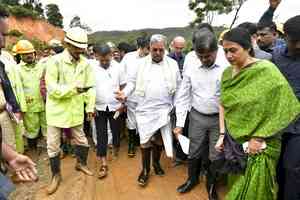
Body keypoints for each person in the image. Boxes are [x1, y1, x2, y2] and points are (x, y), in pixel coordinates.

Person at [215, 27, 300, 200]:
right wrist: (223, 134)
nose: (229, 56)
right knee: (237, 183)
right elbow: (224, 104)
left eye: (233, 50)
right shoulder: (226, 74)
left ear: (247, 47)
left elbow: (286, 107)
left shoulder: (266, 70)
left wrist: (259, 137)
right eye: (225, 51)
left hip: (261, 145)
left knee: (255, 191)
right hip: (236, 143)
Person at [116, 34, 181, 187]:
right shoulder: (140, 64)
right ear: (149, 49)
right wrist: (124, 94)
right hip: (144, 109)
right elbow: (131, 82)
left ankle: (156, 164)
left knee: (159, 140)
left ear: (165, 49)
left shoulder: (172, 64)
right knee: (145, 141)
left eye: (161, 50)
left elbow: (178, 85)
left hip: (164, 109)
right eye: (154, 50)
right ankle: (145, 170)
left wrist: (177, 106)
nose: (158, 53)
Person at [174, 29, 229, 199]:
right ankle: (192, 179)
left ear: (215, 51)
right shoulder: (191, 66)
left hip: (218, 119)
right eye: (201, 56)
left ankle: (211, 185)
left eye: (208, 56)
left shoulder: (227, 67)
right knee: (193, 150)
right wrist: (180, 124)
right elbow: (183, 96)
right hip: (197, 116)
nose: (204, 60)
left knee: (216, 154)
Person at [45, 27, 95, 195]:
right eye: (76, 47)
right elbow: (52, 89)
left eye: (81, 48)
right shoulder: (54, 61)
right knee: (53, 145)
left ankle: (81, 163)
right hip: (56, 111)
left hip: (75, 110)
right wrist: (74, 89)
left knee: (82, 140)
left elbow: (90, 87)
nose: (79, 51)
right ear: (67, 44)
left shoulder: (85, 63)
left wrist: (89, 106)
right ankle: (56, 175)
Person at [272, 15, 300, 200]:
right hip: (278, 126)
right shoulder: (276, 56)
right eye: (294, 41)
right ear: (285, 37)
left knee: (293, 170)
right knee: (279, 170)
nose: (298, 46)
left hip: (298, 128)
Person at [92, 44, 126, 179]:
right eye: (102, 60)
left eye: (107, 60)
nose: (105, 63)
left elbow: (123, 86)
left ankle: (116, 146)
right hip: (99, 106)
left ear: (111, 56)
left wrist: (123, 103)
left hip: (115, 106)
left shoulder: (118, 67)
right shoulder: (92, 68)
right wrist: (91, 105)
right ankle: (103, 163)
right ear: (97, 57)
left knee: (116, 130)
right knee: (101, 134)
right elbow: (89, 87)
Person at [121, 36, 150, 157]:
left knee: (146, 121)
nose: (149, 51)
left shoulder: (152, 58)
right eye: (147, 48)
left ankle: (145, 143)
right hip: (132, 96)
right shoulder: (129, 57)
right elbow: (122, 75)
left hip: (147, 97)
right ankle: (132, 144)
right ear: (141, 47)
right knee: (132, 121)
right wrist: (123, 93)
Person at [15, 40, 47, 151]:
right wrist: (21, 106)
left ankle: (50, 149)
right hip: (29, 105)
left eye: (30, 53)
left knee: (47, 126)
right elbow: (18, 89)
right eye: (25, 54)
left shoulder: (42, 66)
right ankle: (33, 149)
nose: (29, 55)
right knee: (31, 129)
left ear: (34, 53)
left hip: (44, 103)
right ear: (20, 55)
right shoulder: (17, 69)